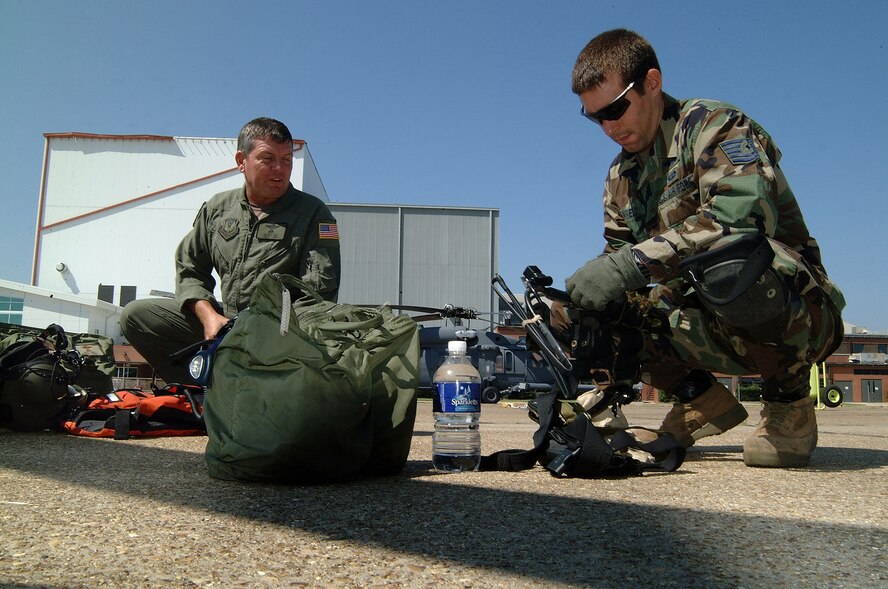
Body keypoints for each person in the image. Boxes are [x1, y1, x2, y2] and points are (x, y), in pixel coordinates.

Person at [564, 29, 844, 468]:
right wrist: (586, 295)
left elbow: (742, 219)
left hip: (791, 309)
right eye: (594, 117)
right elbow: (615, 256)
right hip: (700, 320)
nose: (609, 127)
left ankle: (788, 405)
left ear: (652, 83)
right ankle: (700, 401)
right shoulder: (622, 175)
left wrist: (630, 263)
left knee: (728, 263)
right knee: (585, 305)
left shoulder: (715, 125)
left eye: (616, 108)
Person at [120, 117, 341, 384]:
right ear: (241, 161)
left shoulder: (314, 214)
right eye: (268, 158)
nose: (279, 169)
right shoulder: (218, 209)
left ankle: (251, 390)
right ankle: (204, 394)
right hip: (223, 325)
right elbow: (190, 267)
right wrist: (208, 316)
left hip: (280, 334)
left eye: (287, 160)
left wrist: (265, 331)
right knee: (137, 316)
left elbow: (318, 293)